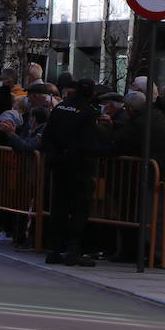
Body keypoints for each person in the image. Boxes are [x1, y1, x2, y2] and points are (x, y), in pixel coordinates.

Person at [40, 77, 101, 267]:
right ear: (92, 93)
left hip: (58, 166)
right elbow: (85, 143)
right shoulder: (89, 113)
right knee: (78, 209)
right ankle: (73, 251)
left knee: (58, 208)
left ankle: (55, 249)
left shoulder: (60, 108)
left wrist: (54, 155)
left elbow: (48, 135)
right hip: (78, 167)